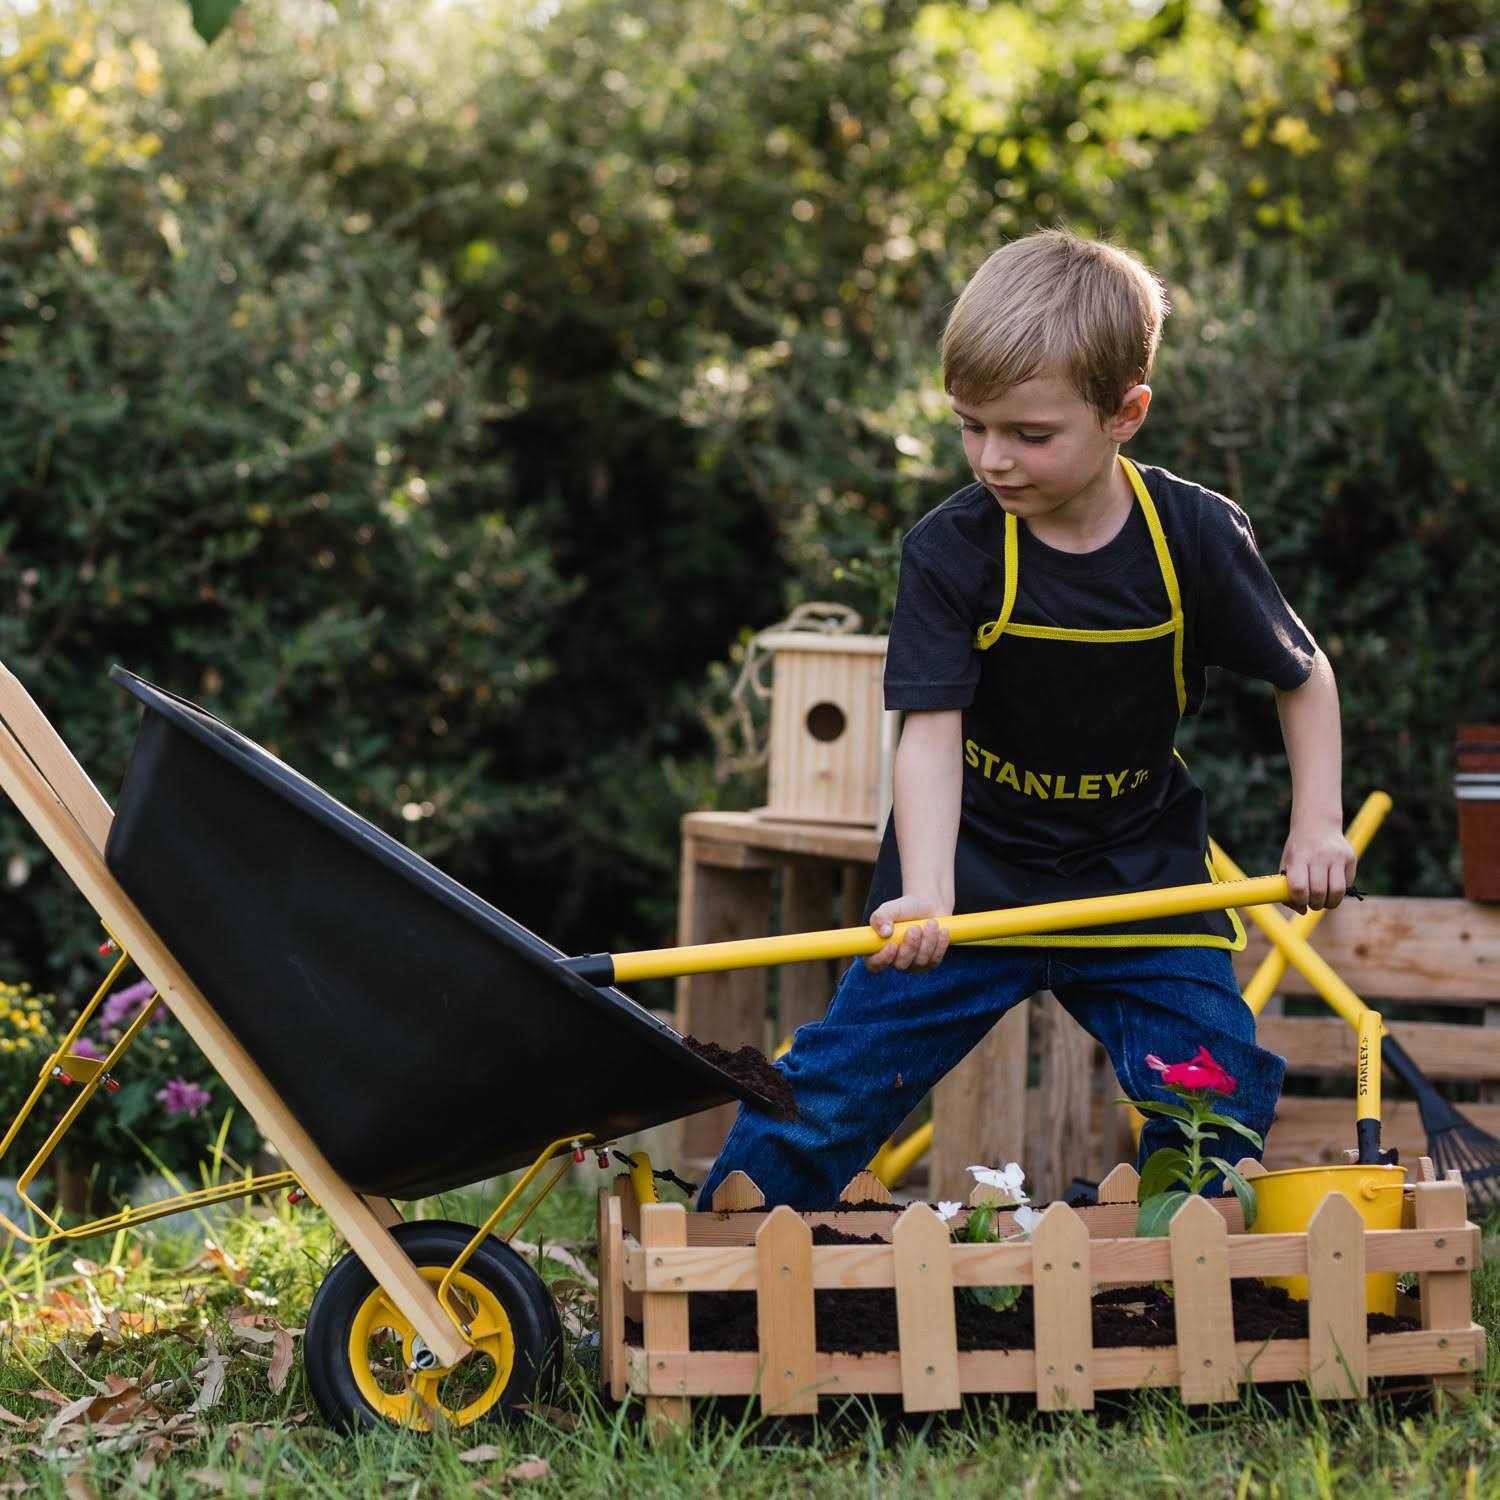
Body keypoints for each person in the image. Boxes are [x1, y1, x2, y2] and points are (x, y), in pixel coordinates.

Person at [698, 229, 1356, 1210]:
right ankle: (720, 1252)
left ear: (1125, 413)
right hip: (971, 877)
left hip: (1139, 879)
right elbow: (929, 729)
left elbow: (1304, 675)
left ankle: (1191, 1258)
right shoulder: (952, 550)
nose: (993, 459)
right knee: (833, 1086)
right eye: (971, 426)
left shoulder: (1193, 537)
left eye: (1029, 434)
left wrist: (1317, 826)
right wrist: (926, 890)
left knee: (1212, 1088)